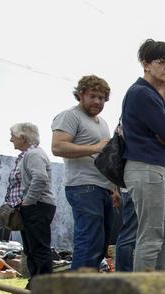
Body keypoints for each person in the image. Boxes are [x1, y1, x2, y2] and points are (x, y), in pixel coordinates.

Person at [120, 39, 165, 272]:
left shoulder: (152, 95)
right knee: (153, 235)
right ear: (146, 64)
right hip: (146, 168)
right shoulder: (141, 93)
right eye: (162, 61)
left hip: (157, 169)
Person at [51, 75, 116, 270]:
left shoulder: (102, 123)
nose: (97, 101)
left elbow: (106, 159)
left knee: (101, 243)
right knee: (89, 241)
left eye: (102, 98)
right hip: (83, 186)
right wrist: (95, 147)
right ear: (81, 95)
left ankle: (89, 288)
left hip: (103, 187)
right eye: (93, 96)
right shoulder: (70, 115)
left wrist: (114, 189)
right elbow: (58, 147)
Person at [9, 123, 56, 287]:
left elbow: (40, 178)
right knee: (30, 248)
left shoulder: (34, 154)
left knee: (39, 248)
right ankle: (35, 282)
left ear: (23, 138)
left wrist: (28, 201)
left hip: (37, 205)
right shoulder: (28, 155)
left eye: (13, 136)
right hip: (33, 206)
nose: (10, 140)